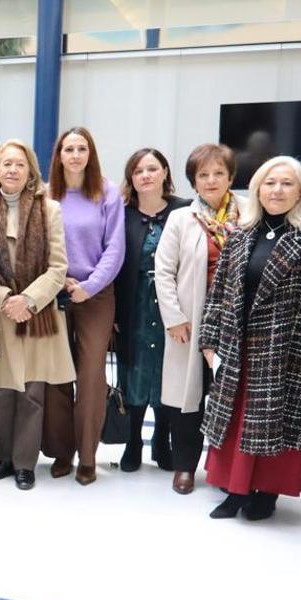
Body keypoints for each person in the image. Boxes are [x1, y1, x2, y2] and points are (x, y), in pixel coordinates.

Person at [200, 156, 301, 520]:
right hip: (238, 345)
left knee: (275, 424)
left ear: (300, 191)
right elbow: (219, 293)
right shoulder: (241, 234)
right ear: (257, 190)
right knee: (236, 419)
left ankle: (266, 493)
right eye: (270, 183)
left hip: (288, 350)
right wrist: (209, 339)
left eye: (286, 183)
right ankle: (234, 491)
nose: (277, 190)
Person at [0, 140, 74, 490]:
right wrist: (4, 299)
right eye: (7, 163)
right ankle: (5, 458)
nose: (12, 170)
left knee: (32, 392)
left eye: (20, 164)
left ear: (30, 173)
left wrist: (27, 300)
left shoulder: (50, 210)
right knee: (2, 391)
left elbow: (58, 267)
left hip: (36, 315)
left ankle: (25, 464)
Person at [154, 143, 244, 494]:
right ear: (193, 181)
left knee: (232, 396)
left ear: (231, 177)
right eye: (203, 174)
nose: (211, 180)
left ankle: (227, 470)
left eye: (219, 173)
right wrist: (174, 318)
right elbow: (164, 271)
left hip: (237, 322)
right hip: (190, 321)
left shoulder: (250, 213)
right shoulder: (181, 218)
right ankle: (185, 467)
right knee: (188, 398)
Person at [44, 127, 125, 485]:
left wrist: (89, 287)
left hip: (97, 293)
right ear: (59, 155)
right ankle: (62, 451)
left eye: (82, 148)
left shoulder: (107, 192)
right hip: (55, 291)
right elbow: (40, 243)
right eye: (69, 149)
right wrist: (59, 281)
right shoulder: (47, 194)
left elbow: (115, 247)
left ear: (90, 153)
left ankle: (88, 456)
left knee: (91, 375)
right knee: (58, 375)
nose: (75, 155)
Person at [112, 148, 190, 475]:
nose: (145, 175)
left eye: (152, 169)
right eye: (138, 171)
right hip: (134, 304)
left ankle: (162, 440)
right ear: (131, 178)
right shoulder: (122, 214)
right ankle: (133, 442)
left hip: (173, 305)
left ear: (165, 173)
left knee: (166, 373)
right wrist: (114, 314)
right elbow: (113, 264)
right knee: (134, 373)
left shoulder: (184, 210)